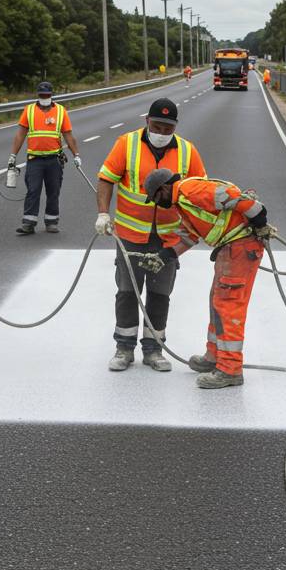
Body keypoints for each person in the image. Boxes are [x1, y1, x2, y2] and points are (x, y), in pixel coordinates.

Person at [94, 98, 206, 373]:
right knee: (127, 291)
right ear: (147, 121)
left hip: (167, 239)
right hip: (131, 235)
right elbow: (107, 178)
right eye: (157, 126)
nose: (162, 133)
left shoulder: (187, 151)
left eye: (167, 129)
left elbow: (198, 191)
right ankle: (124, 347)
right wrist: (103, 213)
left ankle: (154, 349)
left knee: (160, 293)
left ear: (175, 127)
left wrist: (190, 229)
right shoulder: (126, 144)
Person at [135, 169, 274, 389]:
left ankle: (230, 370)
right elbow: (191, 235)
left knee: (228, 307)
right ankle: (214, 357)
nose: (156, 204)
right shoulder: (183, 201)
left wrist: (259, 222)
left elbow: (239, 199)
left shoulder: (191, 190)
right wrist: (165, 256)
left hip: (239, 248)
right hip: (230, 249)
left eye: (155, 199)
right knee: (217, 304)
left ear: (162, 189)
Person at [8, 81, 81, 235]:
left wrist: (76, 155)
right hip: (35, 159)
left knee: (53, 191)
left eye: (47, 95)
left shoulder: (61, 111)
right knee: (33, 190)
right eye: (42, 95)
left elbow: (68, 135)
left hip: (54, 159)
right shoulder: (29, 111)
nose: (44, 97)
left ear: (51, 95)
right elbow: (20, 134)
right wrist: (13, 156)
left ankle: (51, 222)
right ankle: (28, 223)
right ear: (38, 95)